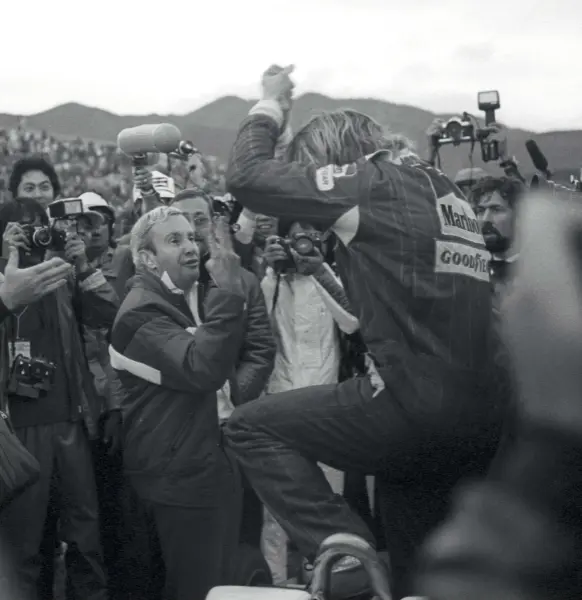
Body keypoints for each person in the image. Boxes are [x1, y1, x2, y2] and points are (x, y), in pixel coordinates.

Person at [222, 65, 505, 598]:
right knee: (421, 574)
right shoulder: (446, 191)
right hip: (481, 418)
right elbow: (387, 306)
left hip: (412, 405)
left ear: (333, 158)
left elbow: (246, 178)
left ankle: (342, 550)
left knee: (250, 427)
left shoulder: (372, 184)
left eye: (309, 171)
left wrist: (271, 105)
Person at [109, 206, 249, 600]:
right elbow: (201, 368)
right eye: (174, 240)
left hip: (205, 465)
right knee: (200, 590)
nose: (190, 246)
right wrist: (230, 294)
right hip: (181, 478)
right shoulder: (140, 312)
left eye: (191, 236)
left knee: (220, 584)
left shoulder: (189, 295)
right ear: (148, 259)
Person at [0, 197, 118, 600]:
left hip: (71, 419)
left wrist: (82, 266)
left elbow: (108, 316)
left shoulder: (61, 272)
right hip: (21, 427)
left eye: (39, 224)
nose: (35, 233)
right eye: (22, 226)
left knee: (86, 539)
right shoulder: (5, 279)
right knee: (24, 547)